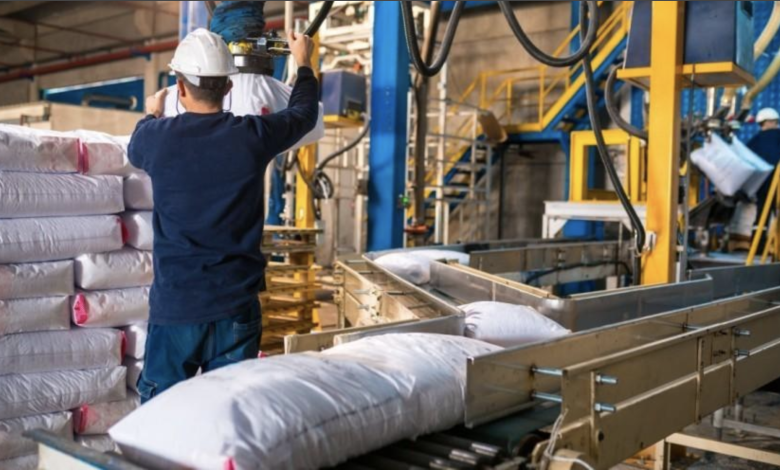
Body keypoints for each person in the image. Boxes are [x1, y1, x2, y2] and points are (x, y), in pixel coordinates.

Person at [127, 28, 318, 403]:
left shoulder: (156, 138)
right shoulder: (252, 136)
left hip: (178, 306)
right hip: (236, 307)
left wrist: (151, 111)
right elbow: (303, 114)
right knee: (229, 409)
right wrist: (303, 63)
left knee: (161, 412)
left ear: (180, 87)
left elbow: (136, 145)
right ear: (228, 87)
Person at [748, 107, 780, 215]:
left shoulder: (754, 140)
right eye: (775, 121)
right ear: (768, 122)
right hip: (776, 182)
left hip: (762, 183)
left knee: (762, 213)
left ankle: (760, 226)